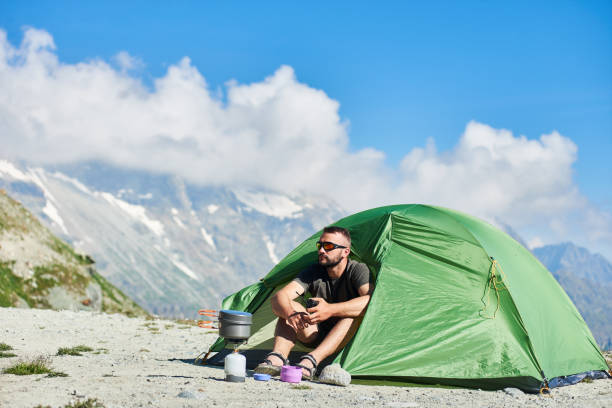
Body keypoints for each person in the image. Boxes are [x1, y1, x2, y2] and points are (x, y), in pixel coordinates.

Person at [254, 226, 373, 380]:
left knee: (352, 316)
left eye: (329, 246)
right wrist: (290, 313)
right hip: (315, 333)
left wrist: (330, 309)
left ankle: (310, 361)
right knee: (288, 306)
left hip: (347, 340)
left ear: (345, 252)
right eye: (320, 245)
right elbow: (279, 297)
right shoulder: (314, 271)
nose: (322, 251)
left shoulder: (357, 270)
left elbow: (370, 302)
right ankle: (278, 359)